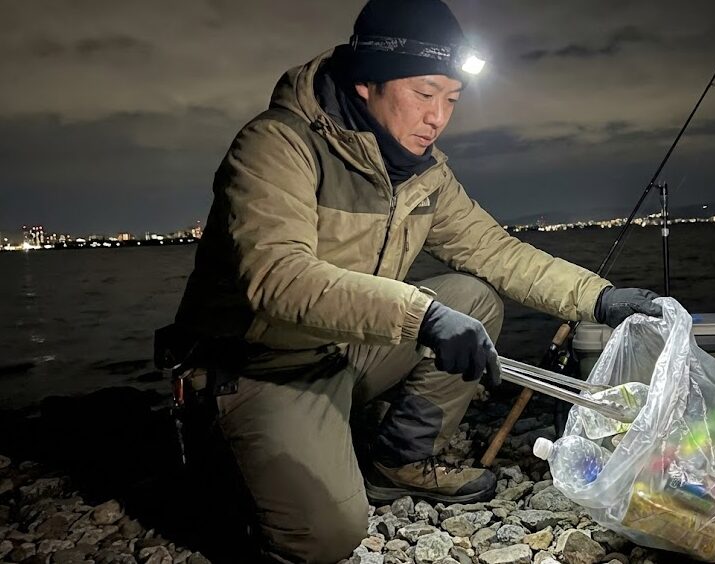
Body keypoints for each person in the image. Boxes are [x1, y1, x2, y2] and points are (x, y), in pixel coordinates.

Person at [171, 0, 661, 561]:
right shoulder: (278, 145)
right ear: (367, 84)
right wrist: (421, 316)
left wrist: (599, 298)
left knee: (474, 298)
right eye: (424, 95)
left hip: (338, 352)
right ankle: (224, 441)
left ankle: (397, 460)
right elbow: (278, 278)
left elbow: (496, 252)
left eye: (452, 99)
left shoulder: (423, 171)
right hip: (259, 366)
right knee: (326, 536)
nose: (438, 117)